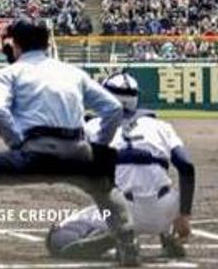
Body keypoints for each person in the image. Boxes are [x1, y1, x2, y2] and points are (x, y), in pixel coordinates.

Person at [0, 19, 139, 269]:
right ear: (47, 43)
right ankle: (128, 242)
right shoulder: (72, 72)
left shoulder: (6, 74)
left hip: (35, 152)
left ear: (14, 45)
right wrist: (97, 148)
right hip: (77, 152)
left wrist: (16, 143)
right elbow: (113, 109)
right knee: (104, 186)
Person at [45, 72, 195, 261]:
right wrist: (184, 215)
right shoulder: (161, 126)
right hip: (164, 211)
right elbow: (187, 166)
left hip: (122, 211)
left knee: (57, 239)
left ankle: (120, 238)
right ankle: (169, 235)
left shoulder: (94, 127)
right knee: (160, 182)